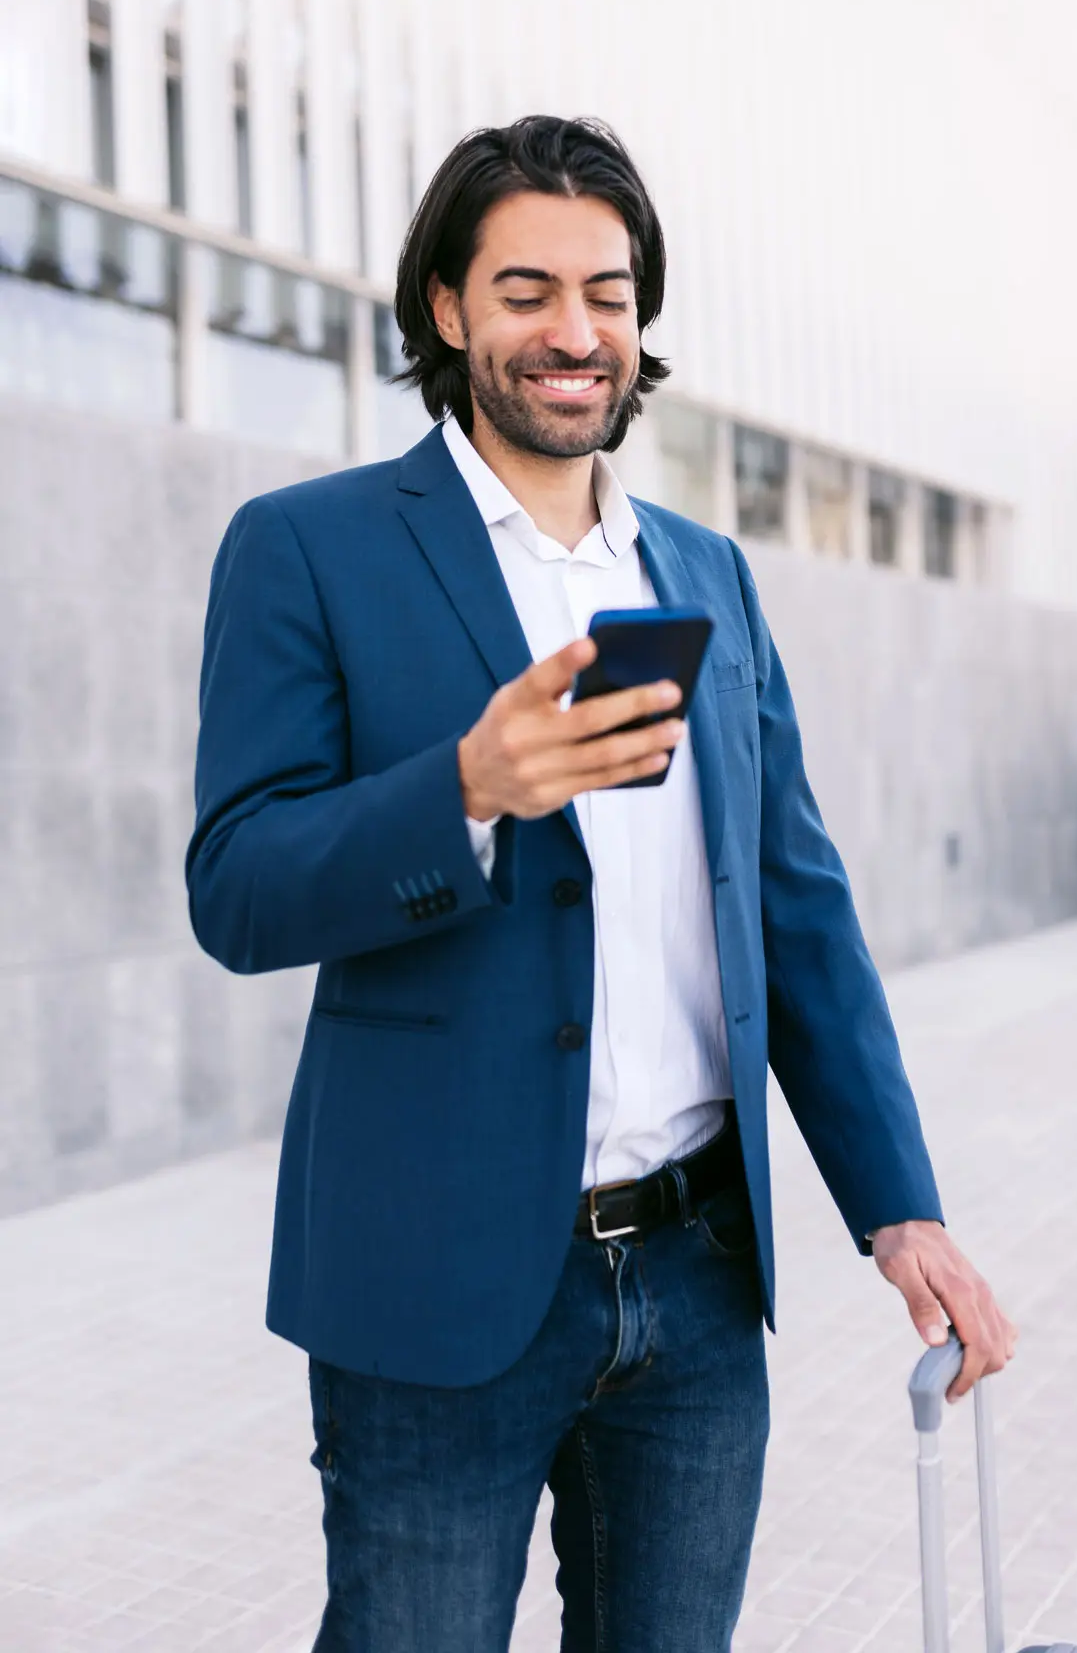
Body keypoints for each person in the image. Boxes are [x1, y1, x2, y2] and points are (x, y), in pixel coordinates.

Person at [187, 115, 1016, 1652]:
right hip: (437, 1284)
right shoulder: (310, 549)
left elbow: (794, 905)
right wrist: (464, 794)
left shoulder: (703, 572)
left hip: (698, 1288)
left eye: (608, 294)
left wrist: (899, 1210)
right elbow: (236, 887)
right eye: (525, 291)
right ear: (444, 308)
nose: (575, 333)